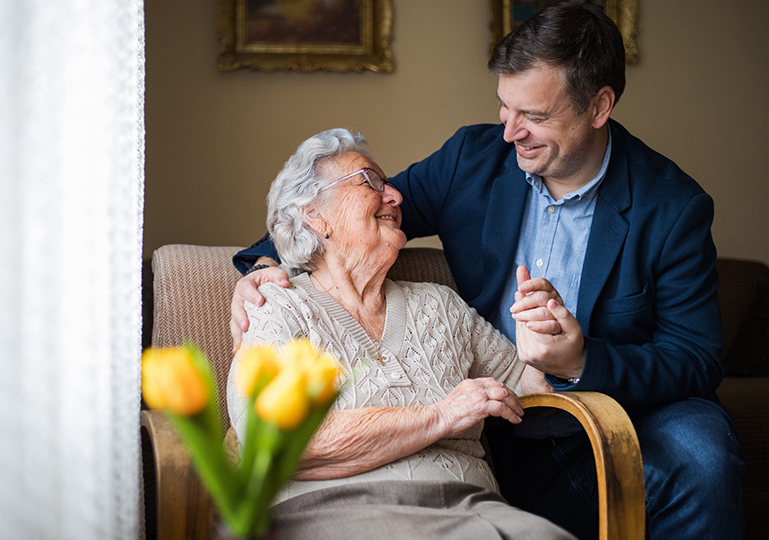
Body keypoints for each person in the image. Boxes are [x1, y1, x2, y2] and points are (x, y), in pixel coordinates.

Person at [230, 4, 745, 540]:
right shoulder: (470, 161)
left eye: (536, 117)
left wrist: (581, 359)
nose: (510, 133)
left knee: (702, 453)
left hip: (616, 409)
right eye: (505, 107)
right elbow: (355, 208)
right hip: (496, 428)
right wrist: (266, 265)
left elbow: (695, 359)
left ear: (599, 106)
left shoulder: (671, 206)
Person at [227, 127, 576, 540]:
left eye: (390, 184)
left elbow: (532, 391)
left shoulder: (441, 305)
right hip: (335, 513)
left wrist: (554, 349)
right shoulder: (277, 307)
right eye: (371, 182)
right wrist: (442, 415)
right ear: (315, 215)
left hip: (473, 509)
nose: (395, 196)